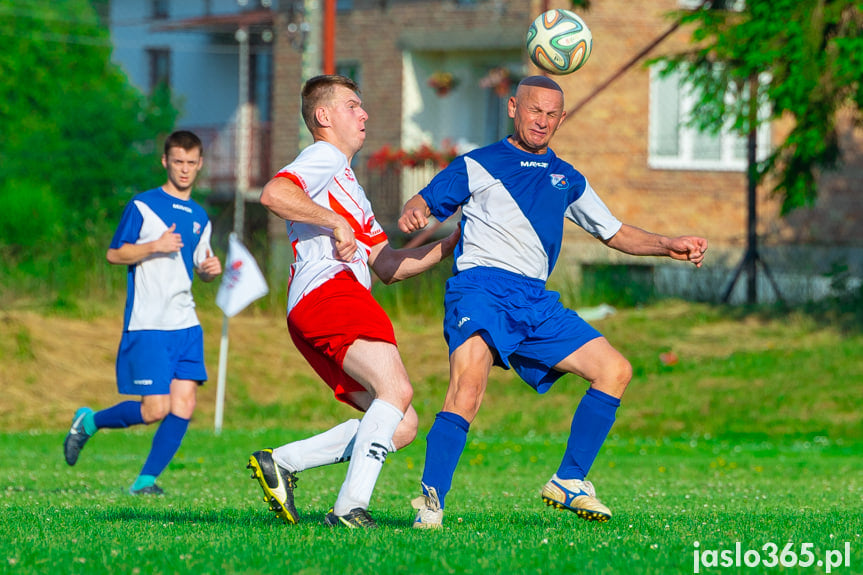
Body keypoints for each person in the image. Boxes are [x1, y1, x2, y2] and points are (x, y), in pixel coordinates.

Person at [399, 75, 708, 528]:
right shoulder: (477, 164)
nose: (541, 121)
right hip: (481, 289)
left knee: (615, 370)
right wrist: (416, 210)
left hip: (534, 300)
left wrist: (668, 244)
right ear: (513, 108)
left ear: (561, 119)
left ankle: (569, 481)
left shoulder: (568, 178)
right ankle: (431, 501)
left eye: (551, 114)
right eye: (533, 110)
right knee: (468, 389)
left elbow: (615, 232)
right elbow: (424, 201)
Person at [247, 75, 460, 529]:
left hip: (319, 302)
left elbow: (388, 265)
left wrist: (454, 242)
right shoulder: (322, 156)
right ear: (323, 117)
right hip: (329, 292)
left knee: (401, 423)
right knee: (397, 391)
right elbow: (274, 193)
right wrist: (335, 224)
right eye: (352, 106)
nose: (364, 114)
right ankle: (348, 509)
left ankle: (281, 462)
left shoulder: (347, 182)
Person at [63, 130, 223, 495]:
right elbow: (114, 254)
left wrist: (208, 271)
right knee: (154, 410)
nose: (184, 169)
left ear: (200, 165)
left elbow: (200, 265)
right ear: (165, 162)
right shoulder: (143, 206)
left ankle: (146, 481)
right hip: (149, 323)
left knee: (185, 402)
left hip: (187, 323)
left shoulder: (200, 215)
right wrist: (155, 245)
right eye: (178, 162)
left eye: (191, 163)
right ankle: (89, 422)